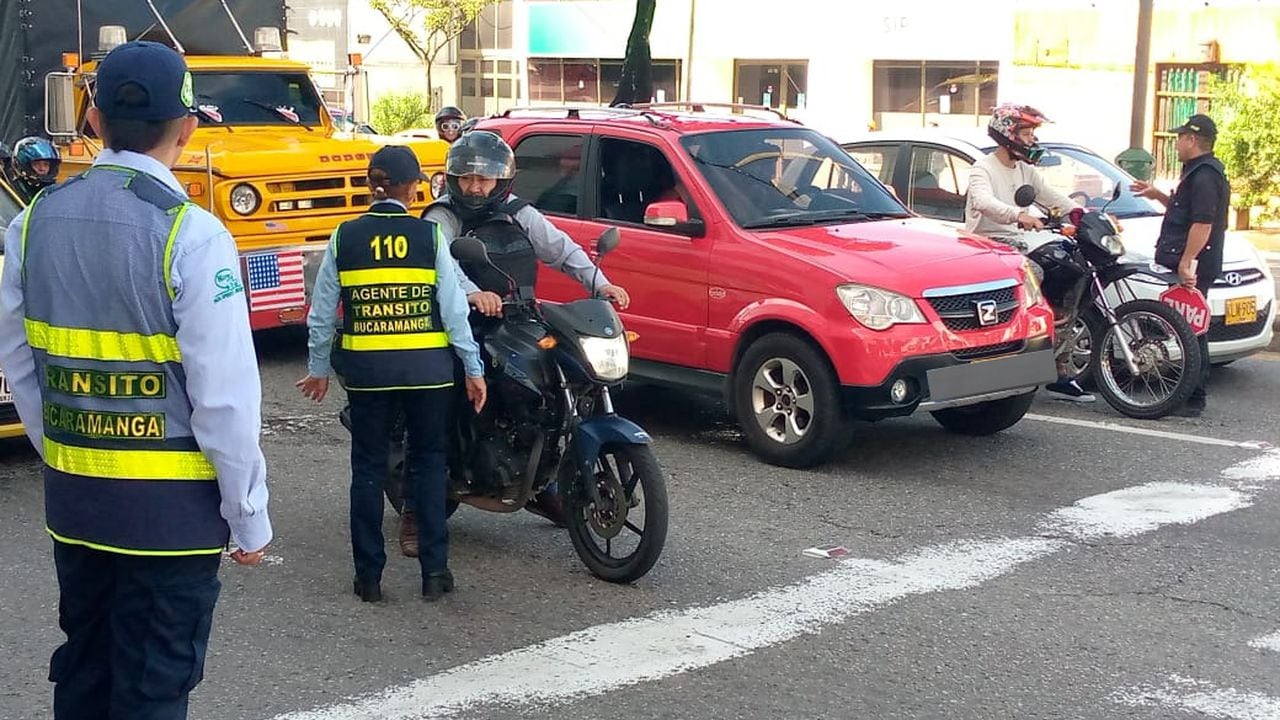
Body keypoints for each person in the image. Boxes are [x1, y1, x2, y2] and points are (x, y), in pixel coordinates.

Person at [0, 40, 271, 720]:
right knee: (152, 689)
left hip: (75, 504)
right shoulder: (192, 234)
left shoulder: (31, 224)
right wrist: (248, 517)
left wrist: (64, 450)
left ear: (92, 120)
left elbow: (22, 364)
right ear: (187, 126)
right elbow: (225, 399)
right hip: (169, 521)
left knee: (85, 674)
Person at [297, 144, 487, 603]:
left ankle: (369, 578)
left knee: (366, 468)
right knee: (429, 464)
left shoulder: (345, 237)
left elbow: (322, 314)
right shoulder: (429, 238)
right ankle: (435, 573)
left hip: (367, 374)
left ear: (370, 185)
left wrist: (319, 368)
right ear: (413, 187)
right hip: (429, 372)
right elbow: (454, 310)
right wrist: (473, 367)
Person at [423, 130, 630, 527]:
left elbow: (561, 248)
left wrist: (598, 283)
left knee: (550, 383)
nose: (475, 186)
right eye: (466, 178)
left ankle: (541, 480)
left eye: (483, 179)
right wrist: (472, 293)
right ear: (453, 179)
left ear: (501, 181)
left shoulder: (518, 212)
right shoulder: (443, 216)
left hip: (516, 318)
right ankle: (421, 498)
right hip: (459, 324)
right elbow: (441, 265)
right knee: (447, 398)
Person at [964, 103, 1092, 403]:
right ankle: (1016, 355)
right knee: (1034, 275)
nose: (1032, 139)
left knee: (1072, 270)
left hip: (1022, 241)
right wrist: (1017, 215)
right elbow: (983, 202)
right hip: (989, 244)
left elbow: (1052, 197)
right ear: (1008, 134)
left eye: (1033, 132)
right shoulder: (983, 168)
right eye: (1026, 132)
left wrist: (1084, 215)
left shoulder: (1025, 169)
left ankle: (1059, 368)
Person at [1131, 113, 1227, 418]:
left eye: (1179, 138)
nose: (1176, 144)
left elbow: (1202, 222)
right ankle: (1189, 393)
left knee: (1192, 328)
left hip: (1195, 264)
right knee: (1188, 326)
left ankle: (1194, 396)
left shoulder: (1204, 176)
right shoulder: (1197, 171)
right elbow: (1185, 212)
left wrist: (1187, 262)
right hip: (1190, 260)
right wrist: (1158, 195)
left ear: (1192, 140)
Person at [2, 136, 61, 203]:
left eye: (46, 164)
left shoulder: (55, 190)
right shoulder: (13, 190)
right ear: (23, 165)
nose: (42, 168)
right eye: (36, 164)